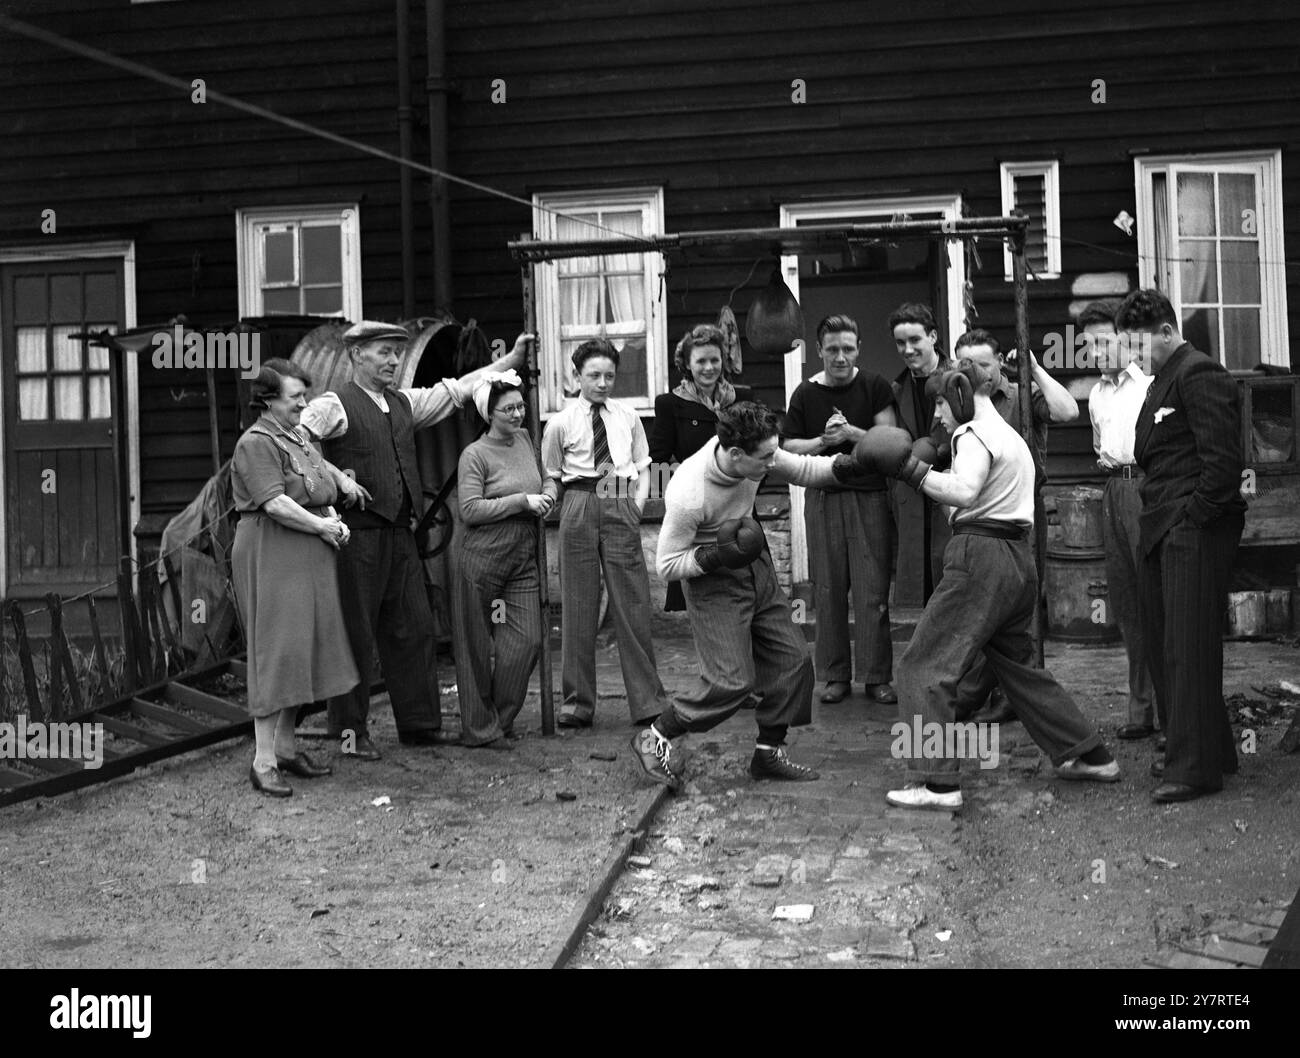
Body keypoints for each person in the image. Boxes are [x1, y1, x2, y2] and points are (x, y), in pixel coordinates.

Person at [855, 360, 1120, 810]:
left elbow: (963, 491)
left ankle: (936, 784)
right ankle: (1089, 755)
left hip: (980, 558)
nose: (938, 415)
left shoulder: (973, 434)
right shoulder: (1012, 436)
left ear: (960, 395)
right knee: (1018, 670)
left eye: (939, 402)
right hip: (1016, 560)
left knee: (924, 664)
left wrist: (909, 470)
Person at [300, 320, 531, 760]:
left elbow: (458, 390)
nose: (392, 361)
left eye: (396, 353)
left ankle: (419, 725)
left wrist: (510, 360)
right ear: (356, 355)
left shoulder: (404, 403)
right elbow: (294, 441)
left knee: (415, 628)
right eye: (383, 352)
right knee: (355, 635)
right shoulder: (333, 405)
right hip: (356, 538)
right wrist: (335, 480)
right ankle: (350, 734)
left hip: (401, 535)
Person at [632, 401, 873, 790]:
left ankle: (768, 753)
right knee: (731, 682)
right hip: (713, 580)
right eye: (765, 458)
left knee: (794, 662)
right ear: (735, 454)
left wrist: (858, 463)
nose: (771, 463)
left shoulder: (761, 453)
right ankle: (655, 735)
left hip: (755, 562)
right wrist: (716, 555)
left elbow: (808, 469)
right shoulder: (688, 492)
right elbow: (666, 565)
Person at [1118, 289, 1246, 803]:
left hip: (1191, 530)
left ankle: (1193, 770)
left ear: (1167, 333)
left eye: (1140, 344)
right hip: (1162, 526)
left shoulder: (1199, 372)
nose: (1135, 356)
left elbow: (1223, 464)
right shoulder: (1160, 382)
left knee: (1188, 648)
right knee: (1167, 643)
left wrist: (1190, 522)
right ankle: (1212, 749)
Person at [230, 359, 363, 797]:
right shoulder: (256, 443)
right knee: (277, 649)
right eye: (295, 398)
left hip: (310, 553)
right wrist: (323, 526)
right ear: (267, 400)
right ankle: (263, 760)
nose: (303, 404)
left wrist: (333, 516)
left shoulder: (300, 438)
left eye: (305, 396)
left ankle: (286, 748)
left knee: (304, 648)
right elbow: (275, 504)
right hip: (273, 551)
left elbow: (319, 485)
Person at [947, 328, 1080, 725]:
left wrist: (1035, 368)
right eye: (965, 364)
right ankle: (980, 691)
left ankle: (1012, 695)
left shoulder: (1021, 397)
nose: (974, 372)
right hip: (974, 520)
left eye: (983, 364)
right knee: (982, 609)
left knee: (1022, 607)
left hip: (1020, 515)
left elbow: (1067, 412)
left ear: (1000, 362)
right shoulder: (958, 402)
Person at [541, 338, 671, 729]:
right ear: (576, 375)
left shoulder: (628, 416)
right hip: (578, 504)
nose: (602, 383)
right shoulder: (559, 422)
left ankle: (648, 702)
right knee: (579, 605)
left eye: (609, 375)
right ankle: (577, 703)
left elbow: (645, 465)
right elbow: (551, 474)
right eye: (594, 375)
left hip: (619, 502)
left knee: (632, 604)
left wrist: (638, 504)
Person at [783, 314, 898, 705]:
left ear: (858, 349)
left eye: (848, 348)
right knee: (828, 589)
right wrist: (823, 440)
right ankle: (834, 676)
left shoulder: (875, 386)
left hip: (869, 496)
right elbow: (788, 447)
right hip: (823, 497)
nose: (840, 356)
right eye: (832, 349)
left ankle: (876, 675)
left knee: (872, 590)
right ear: (818, 351)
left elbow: (892, 440)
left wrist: (852, 434)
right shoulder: (804, 394)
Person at [452, 371, 556, 748]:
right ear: (488, 414)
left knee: (527, 639)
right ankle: (480, 731)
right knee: (475, 646)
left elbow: (543, 477)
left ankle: (499, 718)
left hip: (523, 551)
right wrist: (520, 502)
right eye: (507, 409)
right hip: (483, 553)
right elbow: (469, 510)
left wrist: (548, 492)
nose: (517, 414)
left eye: (520, 406)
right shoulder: (475, 455)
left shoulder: (526, 438)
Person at [1083, 300, 1157, 743]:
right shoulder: (1096, 394)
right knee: (1127, 605)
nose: (1095, 350)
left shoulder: (1150, 385)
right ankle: (1140, 710)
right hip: (1112, 489)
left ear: (1126, 338)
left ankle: (1171, 715)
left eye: (1103, 339)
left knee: (1157, 600)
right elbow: (1100, 448)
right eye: (1088, 343)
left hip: (1146, 488)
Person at [650, 323, 751, 612]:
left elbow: (758, 451)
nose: (709, 367)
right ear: (687, 364)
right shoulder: (671, 404)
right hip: (700, 515)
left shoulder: (740, 401)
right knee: (705, 593)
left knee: (743, 587)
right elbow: (657, 461)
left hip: (739, 507)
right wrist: (685, 488)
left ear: (723, 361)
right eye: (701, 361)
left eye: (715, 360)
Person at [888, 302, 953, 600]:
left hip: (951, 491)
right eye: (900, 342)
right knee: (917, 589)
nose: (908, 349)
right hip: (911, 496)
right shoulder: (896, 389)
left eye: (915, 340)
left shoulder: (958, 378)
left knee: (950, 581)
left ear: (933, 337)